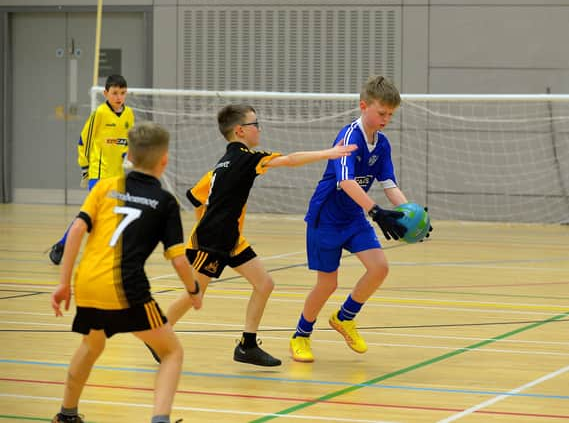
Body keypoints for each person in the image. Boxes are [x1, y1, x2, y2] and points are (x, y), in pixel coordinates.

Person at [157, 104, 357, 367]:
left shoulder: (222, 164)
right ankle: (157, 339)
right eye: (255, 124)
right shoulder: (244, 157)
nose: (259, 128)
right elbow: (289, 160)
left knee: (264, 284)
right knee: (195, 293)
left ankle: (247, 346)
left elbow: (195, 196)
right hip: (213, 240)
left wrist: (208, 220)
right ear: (240, 131)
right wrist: (328, 153)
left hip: (231, 239)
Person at [50, 122, 202, 423]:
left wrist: (63, 283)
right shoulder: (165, 202)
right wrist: (194, 290)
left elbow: (78, 229)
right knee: (172, 352)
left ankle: (66, 414)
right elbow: (178, 259)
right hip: (125, 289)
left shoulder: (106, 186)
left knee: (92, 344)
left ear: (128, 156)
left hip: (88, 283)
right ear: (164, 160)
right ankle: (160, 419)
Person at [289, 75, 415, 362]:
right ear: (363, 106)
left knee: (379, 267)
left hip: (354, 217)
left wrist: (411, 214)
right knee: (327, 284)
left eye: (390, 115)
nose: (386, 119)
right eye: (382, 113)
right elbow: (346, 182)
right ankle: (301, 335)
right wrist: (376, 212)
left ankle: (345, 317)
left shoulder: (381, 144)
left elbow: (390, 185)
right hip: (326, 218)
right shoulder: (348, 138)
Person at [48, 74, 135, 265]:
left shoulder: (129, 114)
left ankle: (105, 253)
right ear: (106, 94)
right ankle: (62, 246)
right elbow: (83, 142)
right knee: (91, 215)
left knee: (114, 216)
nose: (118, 97)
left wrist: (128, 156)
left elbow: (127, 141)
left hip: (117, 175)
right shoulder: (100, 114)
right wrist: (85, 168)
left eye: (122, 93)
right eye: (114, 93)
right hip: (98, 173)